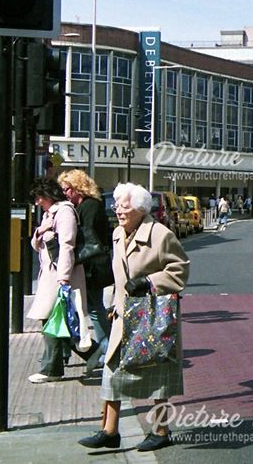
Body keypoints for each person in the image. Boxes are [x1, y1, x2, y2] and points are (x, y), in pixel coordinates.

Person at [79, 183, 190, 452]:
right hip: (123, 316)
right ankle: (110, 430)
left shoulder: (160, 235)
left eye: (124, 207)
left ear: (140, 209)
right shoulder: (118, 233)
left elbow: (180, 269)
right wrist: (114, 304)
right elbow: (120, 278)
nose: (118, 210)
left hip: (154, 316)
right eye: (116, 205)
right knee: (112, 371)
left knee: (159, 374)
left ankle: (161, 430)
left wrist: (149, 282)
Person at [26, 177, 90, 384]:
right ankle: (94, 353)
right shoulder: (49, 215)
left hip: (59, 275)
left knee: (52, 320)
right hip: (49, 274)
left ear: (47, 195)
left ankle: (52, 368)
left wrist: (64, 277)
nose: (37, 203)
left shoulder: (64, 212)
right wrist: (41, 230)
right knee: (58, 321)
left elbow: (67, 245)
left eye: (38, 198)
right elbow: (37, 246)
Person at [59, 169, 113, 374]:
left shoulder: (89, 207)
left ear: (77, 188)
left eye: (67, 189)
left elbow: (89, 239)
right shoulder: (85, 206)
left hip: (92, 267)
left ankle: (107, 347)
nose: (64, 193)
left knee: (93, 307)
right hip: (90, 265)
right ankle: (104, 347)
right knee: (91, 306)